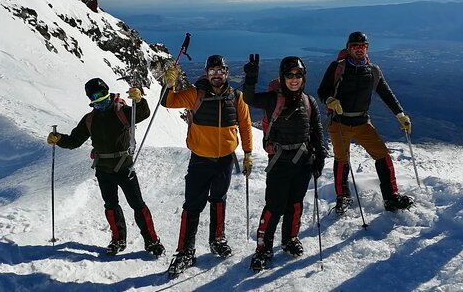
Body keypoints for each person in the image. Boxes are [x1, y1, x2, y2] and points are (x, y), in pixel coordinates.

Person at [46, 78, 164, 257]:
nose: (99, 98)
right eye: (94, 96)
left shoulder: (122, 111)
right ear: (90, 98)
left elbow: (142, 114)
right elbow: (74, 141)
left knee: (137, 205)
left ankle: (152, 241)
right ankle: (118, 240)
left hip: (125, 167)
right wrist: (59, 139)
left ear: (107, 91)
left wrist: (139, 100)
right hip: (103, 169)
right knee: (111, 206)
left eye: (101, 94)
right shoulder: (89, 119)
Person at [161, 55, 253, 277]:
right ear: (206, 74)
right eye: (212, 72)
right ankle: (185, 251)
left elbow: (245, 125)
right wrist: (169, 83)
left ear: (227, 73)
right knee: (192, 205)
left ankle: (217, 239)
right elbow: (168, 102)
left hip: (225, 160)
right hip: (200, 160)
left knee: (219, 200)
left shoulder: (236, 97)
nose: (216, 75)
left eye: (220, 71)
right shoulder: (195, 94)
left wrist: (248, 154)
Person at [242, 54, 327, 272]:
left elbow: (316, 130)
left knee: (295, 203)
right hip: (280, 162)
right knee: (275, 206)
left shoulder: (309, 102)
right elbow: (249, 99)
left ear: (303, 77)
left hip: (303, 162)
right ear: (282, 77)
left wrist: (320, 156)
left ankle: (290, 238)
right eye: (289, 75)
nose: (294, 79)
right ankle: (262, 249)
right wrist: (250, 79)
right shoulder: (273, 99)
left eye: (298, 75)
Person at [318, 31, 414, 214]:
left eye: (362, 46)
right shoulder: (337, 67)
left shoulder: (373, 71)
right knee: (341, 159)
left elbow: (386, 94)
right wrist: (330, 100)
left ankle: (391, 197)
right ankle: (342, 197)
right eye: (355, 46)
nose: (359, 50)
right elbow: (322, 90)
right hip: (339, 121)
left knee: (382, 155)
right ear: (348, 48)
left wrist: (399, 114)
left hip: (362, 122)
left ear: (367, 48)